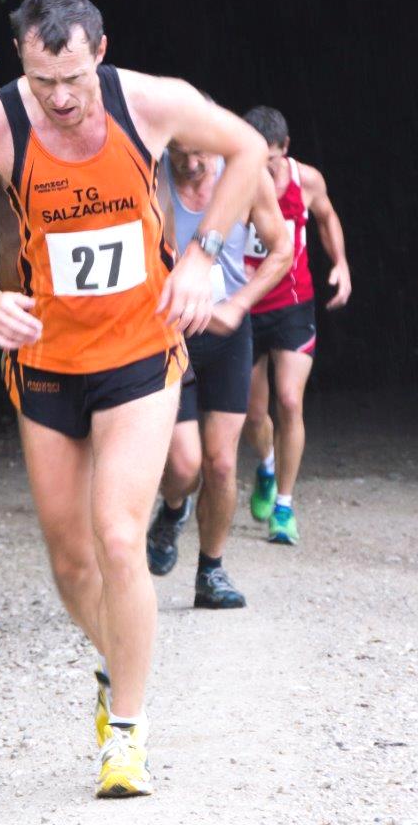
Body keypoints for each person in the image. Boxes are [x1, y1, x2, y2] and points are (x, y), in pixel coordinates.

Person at [0, 0, 266, 797]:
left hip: (140, 351)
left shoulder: (150, 103)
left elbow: (245, 148)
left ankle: (126, 739)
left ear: (99, 52)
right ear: (21, 62)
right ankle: (116, 665)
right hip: (46, 362)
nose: (61, 99)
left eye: (73, 79)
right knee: (71, 562)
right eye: (44, 81)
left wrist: (205, 253)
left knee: (117, 537)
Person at [146, 136, 292, 608]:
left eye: (201, 154)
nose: (191, 164)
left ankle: (211, 571)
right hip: (169, 334)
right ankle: (173, 509)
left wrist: (239, 305)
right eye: (180, 153)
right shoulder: (152, 173)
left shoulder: (244, 177)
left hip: (228, 331)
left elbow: (282, 250)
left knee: (222, 462)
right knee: (183, 465)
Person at [242, 106, 351, 544]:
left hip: (292, 304)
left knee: (289, 401)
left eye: (270, 160)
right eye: (256, 158)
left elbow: (326, 216)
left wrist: (341, 263)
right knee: (254, 415)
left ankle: (284, 507)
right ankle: (266, 466)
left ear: (285, 148)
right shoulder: (235, 181)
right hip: (246, 307)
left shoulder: (307, 180)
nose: (263, 169)